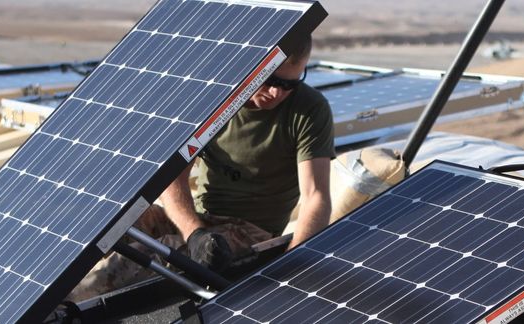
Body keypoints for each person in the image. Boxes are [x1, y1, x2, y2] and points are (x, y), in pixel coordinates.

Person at [68, 34, 335, 301]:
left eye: (291, 83)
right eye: (272, 80)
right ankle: (48, 292)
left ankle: (62, 309)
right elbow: (175, 181)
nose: (278, 92)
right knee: (114, 221)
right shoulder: (218, 100)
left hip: (250, 232)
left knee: (139, 258)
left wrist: (291, 265)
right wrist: (194, 234)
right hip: (203, 218)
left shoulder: (308, 110)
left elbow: (316, 196)